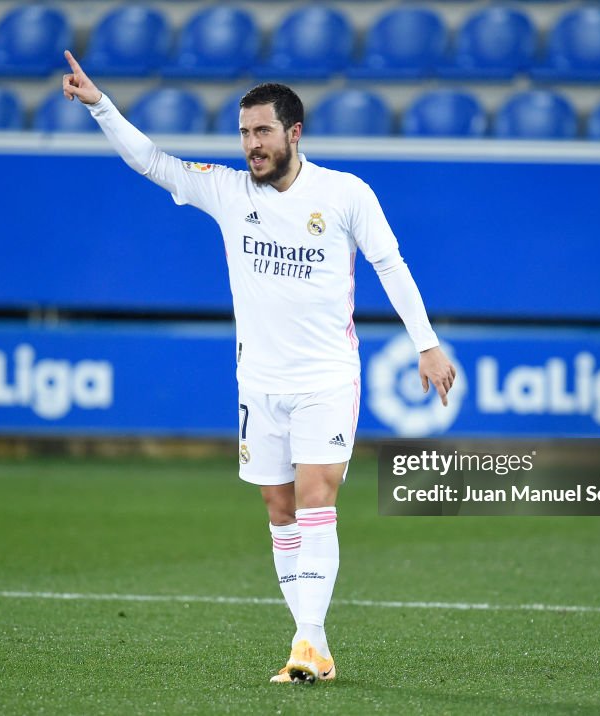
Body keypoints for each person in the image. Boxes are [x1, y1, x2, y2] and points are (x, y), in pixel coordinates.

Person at [62, 50, 456, 684]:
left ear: (293, 133)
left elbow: (390, 265)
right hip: (259, 382)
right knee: (279, 506)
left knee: (316, 495)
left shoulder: (346, 194)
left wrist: (426, 342)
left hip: (328, 377)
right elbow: (153, 163)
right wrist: (102, 106)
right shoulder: (226, 190)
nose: (252, 144)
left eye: (263, 131)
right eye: (245, 132)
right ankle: (316, 647)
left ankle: (306, 640)